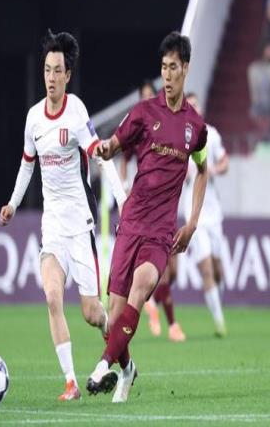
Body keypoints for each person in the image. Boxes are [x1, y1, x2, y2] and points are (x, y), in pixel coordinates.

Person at [0, 29, 126, 401]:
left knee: (91, 312)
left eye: (58, 71)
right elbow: (27, 165)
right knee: (52, 297)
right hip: (52, 226)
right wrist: (13, 203)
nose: (51, 77)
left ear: (68, 75)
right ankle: (71, 382)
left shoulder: (77, 111)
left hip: (80, 224)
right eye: (47, 70)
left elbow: (100, 155)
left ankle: (116, 342)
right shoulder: (33, 119)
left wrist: (122, 199)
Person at [86, 31, 208, 403]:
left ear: (186, 69)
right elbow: (113, 145)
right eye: (163, 68)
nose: (167, 75)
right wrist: (105, 148)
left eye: (173, 68)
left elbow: (203, 171)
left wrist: (192, 223)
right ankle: (126, 369)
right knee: (114, 318)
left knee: (140, 291)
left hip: (160, 233)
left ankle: (101, 367)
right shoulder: (143, 113)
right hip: (131, 224)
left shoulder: (195, 128)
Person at [119, 80, 186, 342]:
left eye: (151, 95)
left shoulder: (166, 124)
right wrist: (124, 189)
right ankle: (173, 324)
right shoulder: (138, 127)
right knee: (163, 271)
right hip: (146, 209)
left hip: (168, 205)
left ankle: (152, 303)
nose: (148, 99)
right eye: (144, 96)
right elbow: (124, 158)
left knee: (174, 270)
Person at [185, 92, 228, 337]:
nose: (193, 109)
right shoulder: (179, 139)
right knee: (206, 269)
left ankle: (218, 307)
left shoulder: (212, 135)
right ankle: (219, 322)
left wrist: (213, 170)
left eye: (195, 105)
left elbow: (225, 163)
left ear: (200, 109)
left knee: (218, 270)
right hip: (194, 214)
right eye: (188, 106)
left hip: (213, 212)